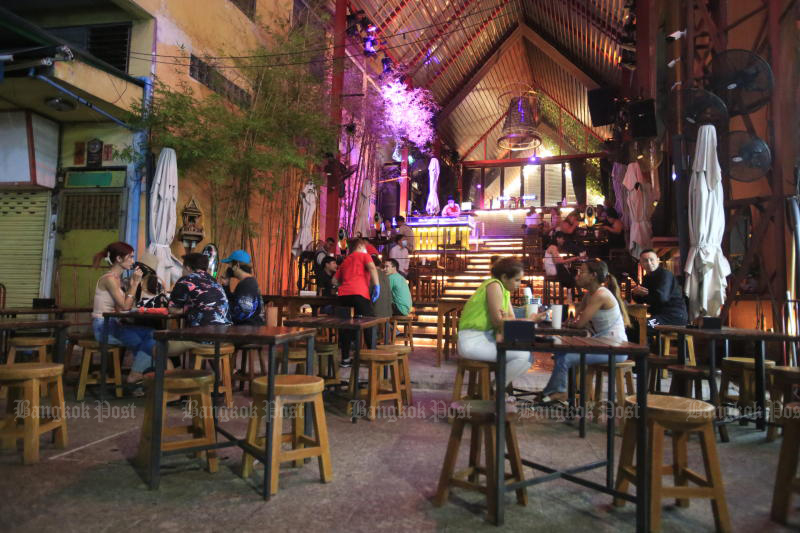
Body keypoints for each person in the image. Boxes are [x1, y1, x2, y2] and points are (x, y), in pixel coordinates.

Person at [539, 259, 630, 403]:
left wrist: (574, 322)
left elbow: (579, 324)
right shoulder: (590, 295)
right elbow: (575, 320)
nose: (578, 275)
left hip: (615, 349)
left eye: (582, 272)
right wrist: (573, 321)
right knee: (560, 352)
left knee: (566, 357)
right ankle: (555, 391)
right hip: (602, 344)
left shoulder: (601, 295)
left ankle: (559, 392)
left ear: (593, 275)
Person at [457, 258, 535, 388]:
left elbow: (510, 319)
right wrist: (530, 320)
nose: (519, 284)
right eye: (516, 280)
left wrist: (509, 320)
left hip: (485, 339)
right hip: (472, 341)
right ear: (504, 277)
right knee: (524, 356)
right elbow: (498, 322)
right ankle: (496, 390)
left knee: (527, 355)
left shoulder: (504, 291)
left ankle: (496, 388)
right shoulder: (494, 285)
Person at [91, 241, 156, 389]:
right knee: (149, 340)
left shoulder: (117, 279)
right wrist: (134, 284)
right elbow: (125, 305)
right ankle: (137, 377)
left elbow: (124, 307)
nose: (133, 261)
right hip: (103, 327)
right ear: (119, 259)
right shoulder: (109, 279)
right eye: (131, 257)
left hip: (113, 324)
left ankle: (138, 377)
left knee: (151, 336)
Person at [168, 253, 231, 355]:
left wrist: (184, 309)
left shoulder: (186, 280)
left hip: (203, 338)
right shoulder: (214, 281)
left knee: (158, 348)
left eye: (182, 269)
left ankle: (170, 369)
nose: (182, 272)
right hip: (225, 337)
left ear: (188, 268)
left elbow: (172, 309)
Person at [334, 238, 381, 367]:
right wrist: (377, 285)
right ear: (360, 246)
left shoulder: (345, 261)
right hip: (360, 293)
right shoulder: (364, 256)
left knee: (345, 326)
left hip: (343, 295)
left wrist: (344, 283)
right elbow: (372, 268)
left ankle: (345, 359)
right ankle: (372, 357)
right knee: (369, 323)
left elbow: (335, 281)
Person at [632, 249, 688, 329]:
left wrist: (645, 295)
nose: (649, 263)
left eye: (651, 260)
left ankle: (648, 342)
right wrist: (635, 293)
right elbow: (640, 299)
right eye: (645, 261)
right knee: (633, 326)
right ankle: (648, 342)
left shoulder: (665, 275)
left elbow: (661, 298)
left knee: (642, 326)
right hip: (659, 316)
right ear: (641, 263)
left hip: (673, 316)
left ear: (657, 260)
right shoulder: (647, 278)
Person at [219, 249, 264, 325]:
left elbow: (242, 313)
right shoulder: (248, 282)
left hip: (248, 330)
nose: (229, 267)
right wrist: (226, 285)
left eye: (230, 264)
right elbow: (234, 302)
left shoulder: (247, 285)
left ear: (237, 265)